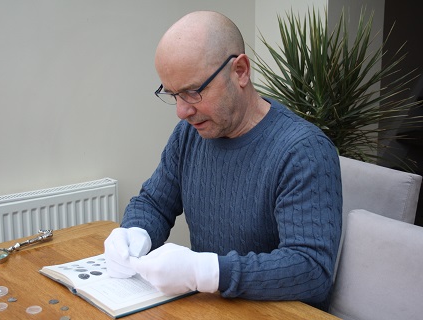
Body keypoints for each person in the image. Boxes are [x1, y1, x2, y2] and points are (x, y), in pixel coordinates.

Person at [104, 10, 342, 311]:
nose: (181, 111)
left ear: (240, 71)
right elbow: (154, 202)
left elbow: (311, 270)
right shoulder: (189, 135)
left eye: (192, 92)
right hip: (213, 307)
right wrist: (135, 232)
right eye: (173, 94)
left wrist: (206, 271)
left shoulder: (303, 151)